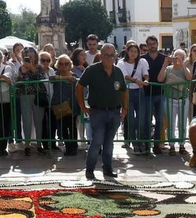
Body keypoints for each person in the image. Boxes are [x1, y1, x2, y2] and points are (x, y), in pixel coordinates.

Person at [75, 42, 128, 182]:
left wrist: (125, 108)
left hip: (114, 111)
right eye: (106, 56)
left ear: (116, 56)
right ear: (101, 56)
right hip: (98, 112)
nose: (109, 58)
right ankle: (90, 169)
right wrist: (82, 106)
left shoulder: (118, 71)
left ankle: (107, 168)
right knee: (97, 141)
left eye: (112, 56)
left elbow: (124, 90)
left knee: (109, 142)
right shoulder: (92, 70)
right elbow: (79, 86)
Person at [116, 41, 147, 155]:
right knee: (130, 119)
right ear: (127, 52)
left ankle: (141, 142)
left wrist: (146, 80)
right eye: (131, 51)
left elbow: (145, 73)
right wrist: (136, 81)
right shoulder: (121, 63)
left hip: (140, 92)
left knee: (141, 119)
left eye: (136, 51)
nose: (133, 53)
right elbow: (124, 76)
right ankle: (134, 143)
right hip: (127, 92)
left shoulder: (142, 61)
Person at [158, 48, 191, 153]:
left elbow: (189, 78)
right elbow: (160, 79)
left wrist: (182, 65)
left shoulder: (185, 69)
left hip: (183, 99)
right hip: (170, 100)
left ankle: (182, 144)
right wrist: (164, 65)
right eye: (175, 56)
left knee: (182, 123)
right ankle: (171, 145)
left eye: (180, 57)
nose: (177, 59)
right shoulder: (168, 69)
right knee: (171, 123)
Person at [47, 54, 81, 157]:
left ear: (70, 65)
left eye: (66, 64)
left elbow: (77, 81)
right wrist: (63, 77)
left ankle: (74, 147)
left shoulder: (74, 76)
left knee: (72, 127)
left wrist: (69, 78)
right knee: (62, 128)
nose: (63, 66)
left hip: (72, 105)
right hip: (59, 105)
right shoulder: (55, 75)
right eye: (61, 64)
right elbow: (51, 78)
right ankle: (68, 146)